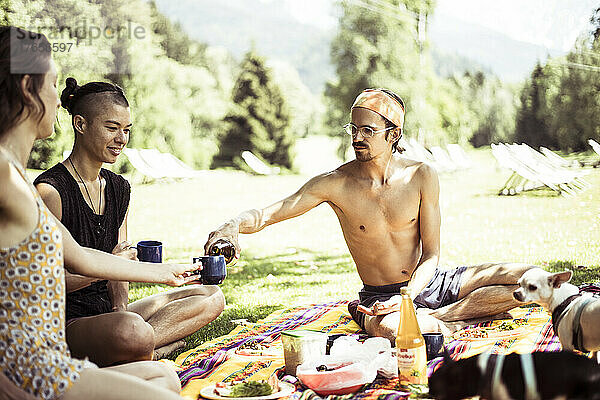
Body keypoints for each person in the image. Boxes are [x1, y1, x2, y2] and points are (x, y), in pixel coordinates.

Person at [204, 87, 533, 342]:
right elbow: (270, 213)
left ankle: (444, 314)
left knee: (533, 278)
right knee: (414, 335)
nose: (357, 138)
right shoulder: (335, 184)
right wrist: (232, 225)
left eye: (367, 130)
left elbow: (431, 253)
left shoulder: (421, 175)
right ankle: (432, 320)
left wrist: (410, 296)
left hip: (429, 282)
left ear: (392, 135)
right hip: (379, 297)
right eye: (353, 129)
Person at [0, 26, 196, 399]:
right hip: (32, 375)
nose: (59, 101)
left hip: (55, 362)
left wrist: (165, 272)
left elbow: (83, 257)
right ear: (28, 87)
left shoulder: (18, 181)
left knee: (166, 379)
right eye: (53, 85)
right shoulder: (6, 175)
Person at [34, 77, 225, 366]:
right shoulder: (51, 191)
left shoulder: (118, 187)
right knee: (130, 331)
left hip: (109, 315)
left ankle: (135, 348)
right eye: (112, 128)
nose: (121, 139)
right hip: (67, 321)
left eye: (126, 130)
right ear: (81, 124)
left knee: (210, 296)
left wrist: (119, 308)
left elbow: (120, 267)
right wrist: (107, 268)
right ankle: (148, 350)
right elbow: (42, 285)